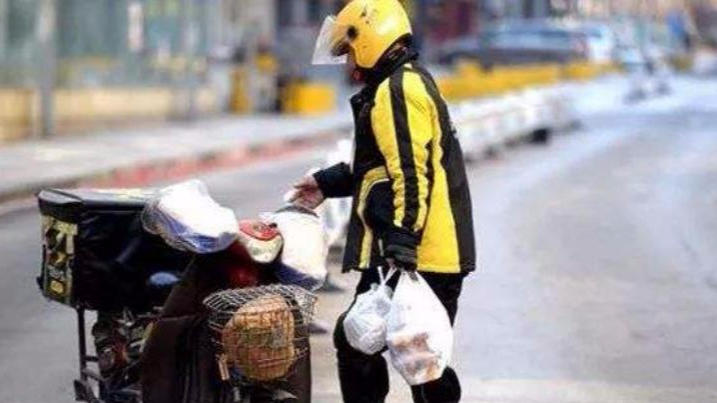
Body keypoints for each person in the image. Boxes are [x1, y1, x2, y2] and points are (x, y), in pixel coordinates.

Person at [290, 1, 475, 402]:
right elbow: (381, 166)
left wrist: (402, 243)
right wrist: (326, 182)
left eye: (349, 52)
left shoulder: (398, 90)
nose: (348, 64)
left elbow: (410, 173)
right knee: (388, 349)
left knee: (416, 357)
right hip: (413, 250)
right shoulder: (400, 83)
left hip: (417, 253)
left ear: (369, 40)